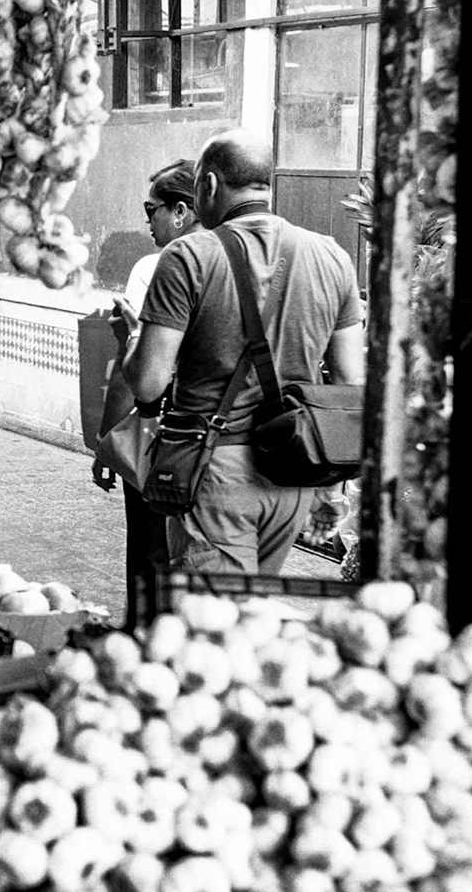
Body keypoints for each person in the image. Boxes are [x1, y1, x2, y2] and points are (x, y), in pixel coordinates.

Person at [124, 130, 364, 574]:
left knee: (214, 615)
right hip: (292, 473)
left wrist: (134, 337)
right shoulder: (332, 257)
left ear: (209, 185)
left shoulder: (188, 257)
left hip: (216, 475)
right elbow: (350, 387)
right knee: (251, 609)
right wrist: (331, 488)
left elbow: (148, 383)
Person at [94, 160, 200, 619]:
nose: (147, 221)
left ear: (180, 212)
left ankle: (144, 637)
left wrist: (107, 442)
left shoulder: (156, 268)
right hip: (226, 446)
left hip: (163, 436)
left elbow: (135, 373)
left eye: (150, 209)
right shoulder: (248, 264)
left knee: (149, 553)